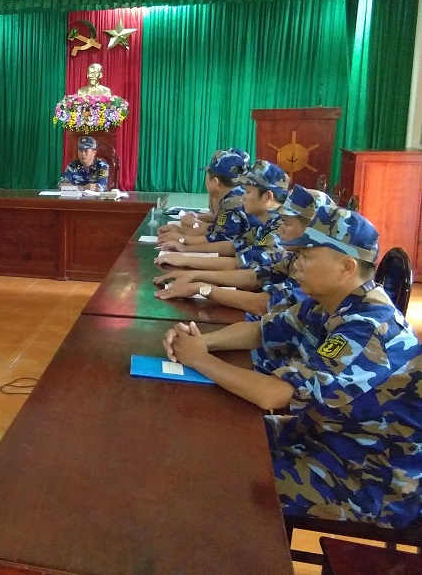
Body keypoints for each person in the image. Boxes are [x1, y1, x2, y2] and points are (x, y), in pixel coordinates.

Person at [163, 207, 422, 529]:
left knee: (219, 481)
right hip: (323, 435)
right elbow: (263, 330)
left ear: (346, 267)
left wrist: (199, 359)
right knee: (207, 439)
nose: (296, 264)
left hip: (368, 477)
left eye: (307, 257)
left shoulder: (369, 327)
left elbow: (274, 395)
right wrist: (201, 342)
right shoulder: (332, 300)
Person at [154, 185, 335, 318]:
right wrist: (194, 275)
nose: (281, 229)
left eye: (287, 224)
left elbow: (263, 304)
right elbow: (254, 276)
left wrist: (202, 287)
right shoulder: (297, 254)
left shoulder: (317, 267)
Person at [156, 159, 289, 269]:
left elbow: (243, 269)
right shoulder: (266, 223)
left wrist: (187, 260)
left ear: (267, 197)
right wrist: (185, 249)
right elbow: (233, 246)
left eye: (248, 192)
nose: (243, 197)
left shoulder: (281, 229)